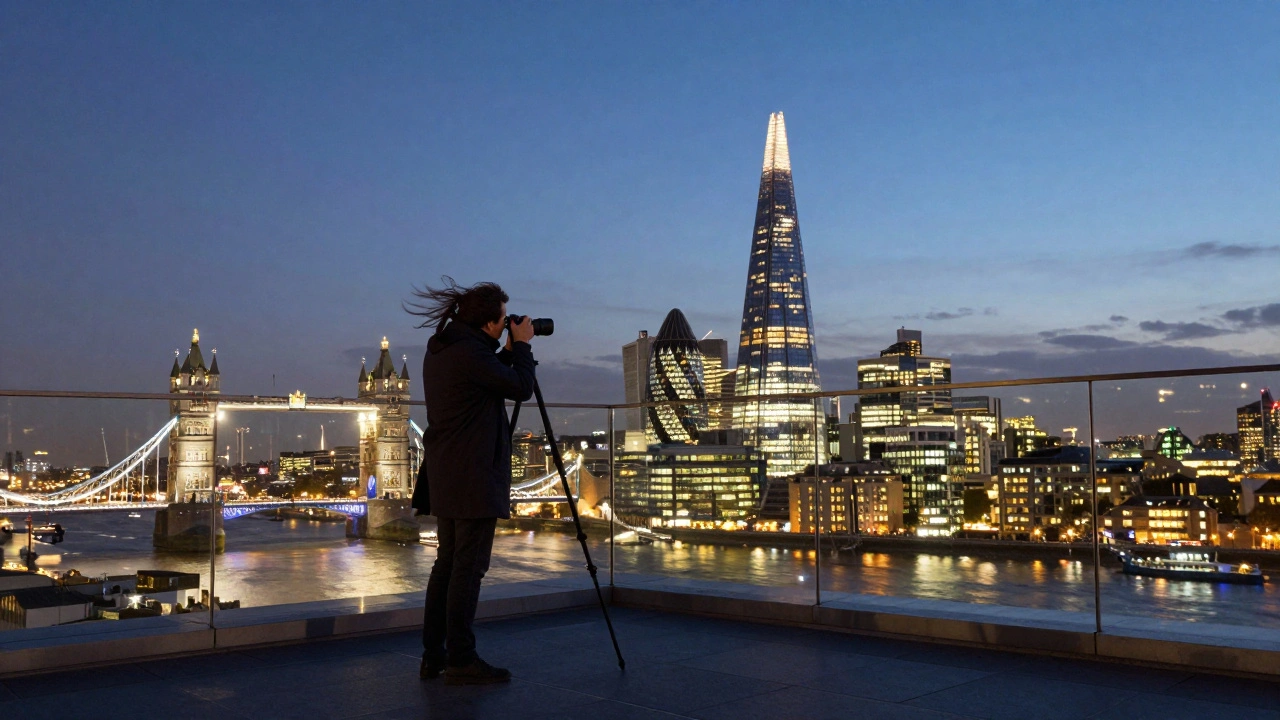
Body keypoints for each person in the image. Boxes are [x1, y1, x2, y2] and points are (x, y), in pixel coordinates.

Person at [406, 278, 535, 685]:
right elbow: (520, 387)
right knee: (469, 567)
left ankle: (434, 654)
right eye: (502, 321)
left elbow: (487, 373)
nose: (505, 326)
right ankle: (461, 658)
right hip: (475, 474)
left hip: (445, 472)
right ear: (488, 324)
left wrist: (506, 347)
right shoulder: (471, 355)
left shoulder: (444, 349)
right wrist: (524, 347)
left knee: (447, 564)